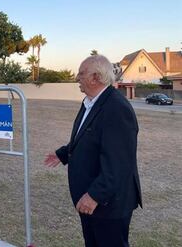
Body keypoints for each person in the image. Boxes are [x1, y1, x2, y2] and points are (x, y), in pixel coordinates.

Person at [45, 55, 142, 247]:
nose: (76, 78)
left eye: (81, 74)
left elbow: (120, 162)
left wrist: (95, 195)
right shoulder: (90, 102)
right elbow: (88, 137)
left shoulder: (116, 108)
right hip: (90, 199)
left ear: (95, 77)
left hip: (108, 203)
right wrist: (63, 154)